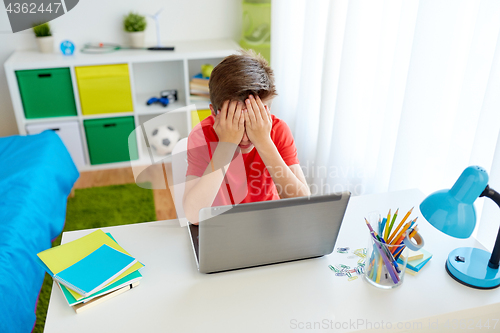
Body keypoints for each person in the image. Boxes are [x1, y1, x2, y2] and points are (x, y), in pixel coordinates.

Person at [183, 50, 310, 224]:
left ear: (268, 110)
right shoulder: (201, 136)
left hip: (269, 222)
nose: (243, 138)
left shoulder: (278, 130)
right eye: (235, 123)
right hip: (222, 223)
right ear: (213, 113)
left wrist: (263, 141)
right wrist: (227, 144)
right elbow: (194, 217)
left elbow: (303, 207)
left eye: (253, 121)